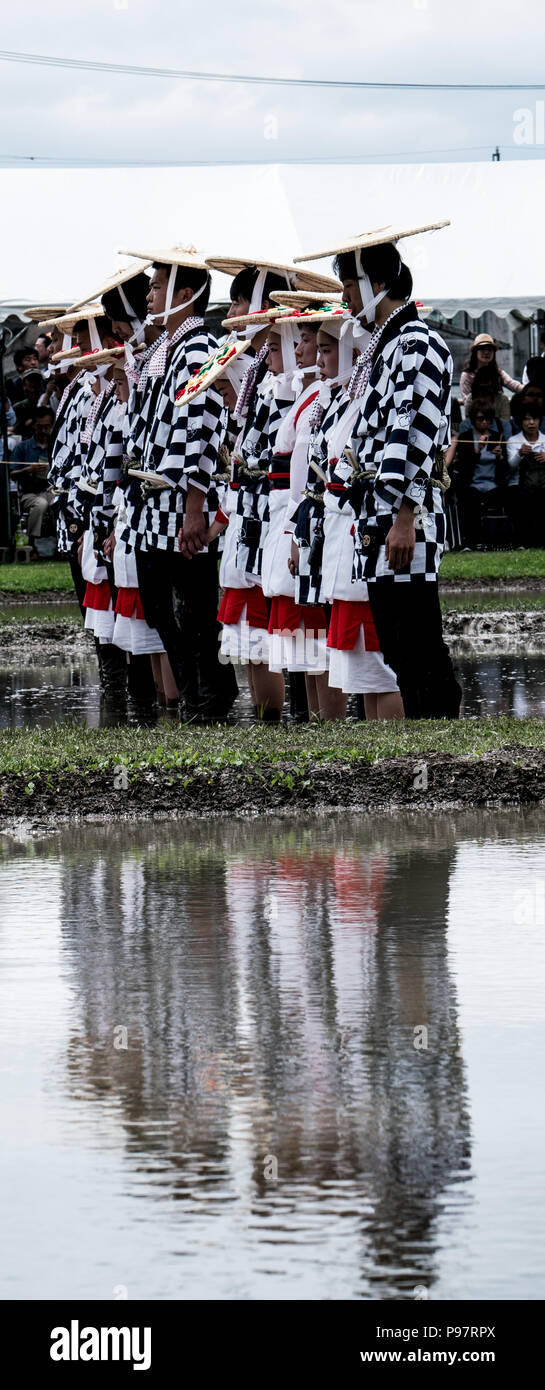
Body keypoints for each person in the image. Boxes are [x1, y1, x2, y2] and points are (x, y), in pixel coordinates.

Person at [295, 222, 461, 719]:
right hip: (378, 513)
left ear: (376, 285)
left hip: (401, 514)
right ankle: (429, 736)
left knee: (416, 638)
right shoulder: (387, 345)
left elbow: (414, 436)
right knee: (397, 642)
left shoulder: (415, 343)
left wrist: (405, 513)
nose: (345, 298)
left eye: (349, 286)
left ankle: (441, 736)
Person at [121, 244, 238, 722]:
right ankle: (196, 694)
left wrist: (195, 506)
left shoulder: (198, 348)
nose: (149, 294)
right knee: (159, 610)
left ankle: (211, 695)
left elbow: (203, 430)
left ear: (185, 294)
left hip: (181, 502)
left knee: (191, 611)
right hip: (152, 503)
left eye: (157, 286)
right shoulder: (163, 348)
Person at [450, 401, 512, 550]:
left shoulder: (498, 436)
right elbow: (463, 466)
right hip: (473, 484)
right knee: (469, 501)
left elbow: (505, 469)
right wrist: (477, 450)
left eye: (488, 419)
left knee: (507, 498)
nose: (484, 422)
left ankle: (498, 541)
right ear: (473, 419)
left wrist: (500, 457)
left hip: (493, 484)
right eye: (480, 419)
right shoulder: (466, 437)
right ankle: (471, 542)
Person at [10, 405, 54, 543]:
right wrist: (28, 470)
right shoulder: (23, 447)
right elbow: (12, 473)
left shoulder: (55, 446)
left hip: (51, 490)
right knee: (40, 504)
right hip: (29, 494)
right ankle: (32, 542)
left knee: (59, 502)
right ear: (33, 425)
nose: (43, 430)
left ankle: (61, 543)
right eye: (39, 426)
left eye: (47, 426)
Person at [506, 405, 545, 547]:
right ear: (521, 422)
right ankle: (522, 541)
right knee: (519, 498)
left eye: (534, 419)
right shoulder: (513, 440)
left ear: (540, 421)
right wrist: (519, 454)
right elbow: (509, 468)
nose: (531, 423)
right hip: (518, 484)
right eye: (527, 419)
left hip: (542, 484)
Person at [459, 333, 522, 412]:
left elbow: (513, 384)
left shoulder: (497, 372)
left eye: (489, 349)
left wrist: (528, 389)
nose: (486, 352)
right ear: (475, 352)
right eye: (482, 349)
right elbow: (467, 402)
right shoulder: (467, 375)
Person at [14, 370, 44, 439]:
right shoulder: (19, 407)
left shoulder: (50, 401)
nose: (34, 384)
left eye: (37, 380)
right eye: (31, 381)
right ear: (24, 385)